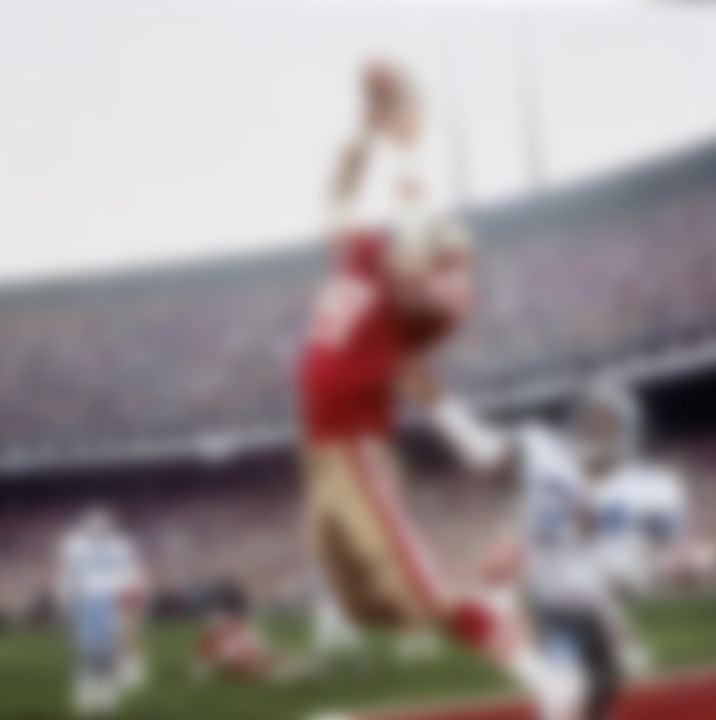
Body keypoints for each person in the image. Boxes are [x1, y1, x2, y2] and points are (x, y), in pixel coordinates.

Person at [296, 59, 581, 720]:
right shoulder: (365, 253)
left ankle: (544, 677)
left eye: (442, 258)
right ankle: (495, 621)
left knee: (424, 597)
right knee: (363, 605)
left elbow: (416, 346)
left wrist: (462, 428)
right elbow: (336, 192)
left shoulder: (411, 307)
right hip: (318, 454)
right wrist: (366, 129)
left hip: (357, 448)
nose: (432, 263)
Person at [415, 376, 677, 720]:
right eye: (595, 422)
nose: (600, 433)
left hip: (588, 611)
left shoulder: (628, 487)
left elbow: (621, 564)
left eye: (610, 426)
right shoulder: (542, 450)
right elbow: (485, 453)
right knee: (566, 699)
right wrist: (438, 404)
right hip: (551, 610)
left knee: (595, 696)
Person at [54, 508, 146, 717]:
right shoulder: (74, 545)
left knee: (108, 650)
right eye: (94, 526)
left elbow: (130, 574)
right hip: (86, 601)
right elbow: (68, 574)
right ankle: (86, 694)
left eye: (103, 527)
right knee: (86, 650)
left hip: (112, 601)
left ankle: (105, 695)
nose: (98, 530)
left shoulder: (121, 546)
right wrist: (64, 599)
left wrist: (132, 601)